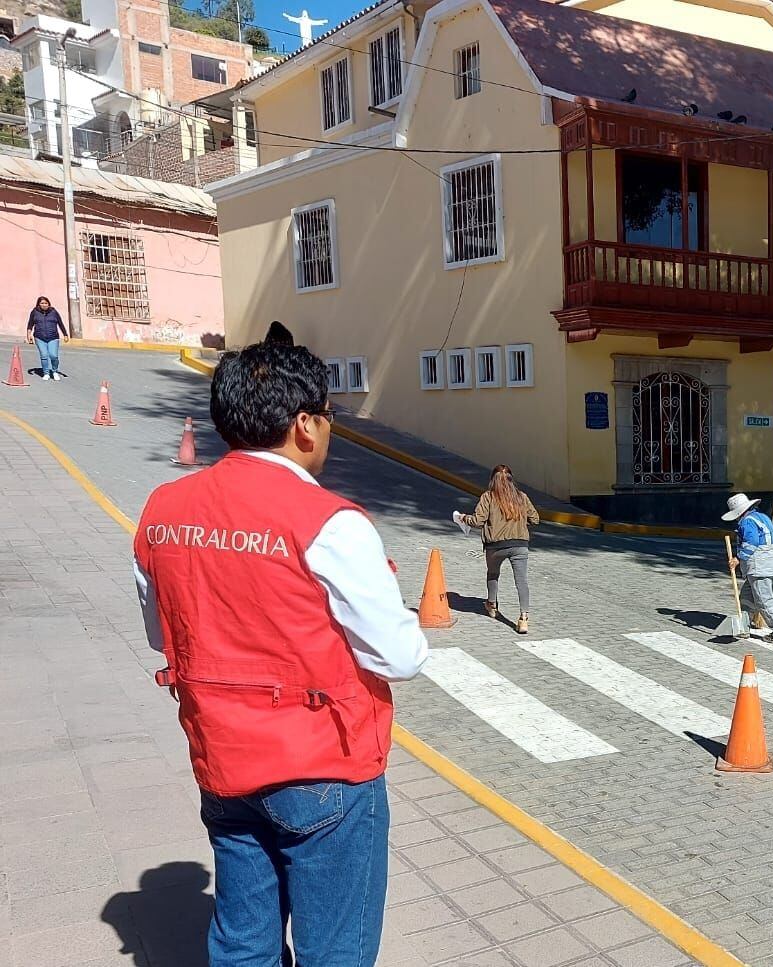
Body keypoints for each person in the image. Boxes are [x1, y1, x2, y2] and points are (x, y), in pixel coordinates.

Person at [134, 341, 429, 967]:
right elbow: (399, 656)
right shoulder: (329, 521)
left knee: (243, 944)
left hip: (222, 758)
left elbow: (163, 635)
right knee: (335, 951)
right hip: (324, 767)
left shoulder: (163, 511)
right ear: (304, 425)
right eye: (328, 416)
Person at [453, 464, 540, 634]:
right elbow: (535, 519)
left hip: (496, 546)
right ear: (511, 479)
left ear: (493, 480)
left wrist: (463, 518)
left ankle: (492, 605)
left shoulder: (488, 497)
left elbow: (477, 521)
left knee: (493, 574)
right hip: (520, 544)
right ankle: (523, 618)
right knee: (521, 581)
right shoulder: (521, 497)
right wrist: (520, 523)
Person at [722, 493, 773, 643]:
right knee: (746, 596)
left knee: (764, 600)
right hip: (764, 565)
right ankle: (744, 626)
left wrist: (738, 559)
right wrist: (772, 552)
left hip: (759, 567)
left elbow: (751, 542)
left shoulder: (747, 522)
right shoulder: (762, 517)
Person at [25, 295, 67, 380]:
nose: (44, 305)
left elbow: (60, 323)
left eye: (46, 303)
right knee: (44, 355)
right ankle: (46, 373)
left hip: (53, 337)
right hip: (39, 337)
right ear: (38, 304)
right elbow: (30, 324)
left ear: (49, 304)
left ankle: (55, 371)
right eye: (42, 303)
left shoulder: (53, 312)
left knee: (53, 356)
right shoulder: (34, 312)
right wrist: (28, 335)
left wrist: (65, 334)